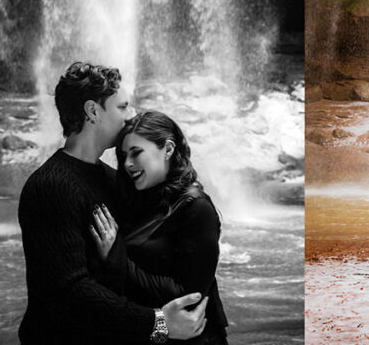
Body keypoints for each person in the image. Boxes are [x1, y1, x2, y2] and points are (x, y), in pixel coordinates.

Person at [18, 62, 208, 344]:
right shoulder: (51, 186)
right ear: (93, 111)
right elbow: (71, 293)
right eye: (122, 107)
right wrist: (159, 324)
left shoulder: (113, 179)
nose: (130, 117)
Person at [91, 110, 228, 344]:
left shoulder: (196, 208)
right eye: (123, 156)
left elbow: (187, 296)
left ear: (168, 149)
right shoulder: (136, 201)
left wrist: (116, 258)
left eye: (137, 153)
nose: (127, 164)